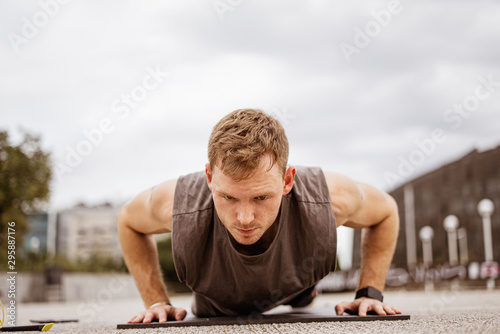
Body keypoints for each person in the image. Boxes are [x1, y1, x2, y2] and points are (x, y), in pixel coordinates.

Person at [118, 108, 401, 323]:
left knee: (301, 281)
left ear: (287, 181)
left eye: (261, 197)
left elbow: (385, 211)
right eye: (228, 197)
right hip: (218, 300)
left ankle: (304, 292)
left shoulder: (327, 198)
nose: (244, 218)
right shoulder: (181, 205)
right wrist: (156, 303)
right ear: (209, 177)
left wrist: (369, 293)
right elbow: (128, 222)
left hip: (293, 283)